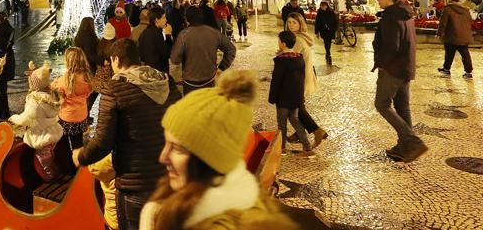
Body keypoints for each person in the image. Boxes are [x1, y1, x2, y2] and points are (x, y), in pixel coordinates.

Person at [140, 70, 298, 230]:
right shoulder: (169, 200)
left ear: (208, 161)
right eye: (166, 143)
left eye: (177, 149)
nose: (162, 157)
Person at [74, 38, 181, 230]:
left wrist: (80, 156)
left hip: (135, 185)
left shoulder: (115, 88)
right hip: (167, 179)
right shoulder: (166, 82)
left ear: (116, 60)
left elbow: (103, 142)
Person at [373, 0, 427, 163]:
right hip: (406, 66)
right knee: (402, 106)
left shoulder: (390, 17)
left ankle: (412, 141)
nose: (378, 0)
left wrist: (382, 63)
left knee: (382, 103)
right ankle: (405, 146)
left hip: (393, 69)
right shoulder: (405, 14)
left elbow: (392, 46)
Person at [9, 61, 63, 181]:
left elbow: (26, 117)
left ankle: (50, 178)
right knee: (50, 155)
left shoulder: (35, 100)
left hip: (41, 136)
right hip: (52, 133)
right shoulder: (51, 96)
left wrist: (13, 118)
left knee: (43, 161)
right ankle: (55, 172)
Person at [284, 13, 328, 148]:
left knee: (295, 107)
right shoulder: (302, 37)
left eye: (294, 23)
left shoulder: (297, 40)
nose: (291, 25)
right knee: (297, 106)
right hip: (304, 75)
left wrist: (280, 53)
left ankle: (317, 131)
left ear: (300, 24)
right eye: (289, 22)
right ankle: (300, 132)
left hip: (298, 78)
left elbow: (290, 59)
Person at [169, 8, 236, 95]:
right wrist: (222, 67)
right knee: (209, 105)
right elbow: (231, 49)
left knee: (193, 107)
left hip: (190, 81)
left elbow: (174, 59)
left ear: (187, 19)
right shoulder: (213, 32)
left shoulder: (183, 35)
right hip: (210, 79)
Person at [269, 31, 314, 157]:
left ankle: (281, 148)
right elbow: (300, 79)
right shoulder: (299, 58)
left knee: (281, 123)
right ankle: (307, 147)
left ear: (283, 44)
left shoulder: (281, 61)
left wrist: (272, 97)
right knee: (295, 119)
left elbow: (276, 81)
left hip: (283, 99)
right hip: (295, 98)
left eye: (279, 41)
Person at [52, 47, 93, 150]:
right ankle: (79, 162)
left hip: (67, 118)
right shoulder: (87, 77)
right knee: (78, 143)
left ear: (68, 62)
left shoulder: (65, 79)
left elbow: (55, 90)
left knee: (63, 144)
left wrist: (55, 82)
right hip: (82, 117)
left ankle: (66, 162)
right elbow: (88, 94)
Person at [437, 0, 474, 78]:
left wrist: (439, 33)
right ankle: (468, 72)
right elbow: (470, 21)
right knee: (465, 54)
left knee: (449, 53)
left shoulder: (448, 9)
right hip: (464, 35)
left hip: (452, 34)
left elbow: (443, 23)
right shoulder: (465, 10)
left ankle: (446, 69)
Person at [138, 9, 174, 74]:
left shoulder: (145, 32)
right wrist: (168, 35)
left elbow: (141, 55)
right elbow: (166, 53)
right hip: (158, 72)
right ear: (156, 19)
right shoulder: (156, 33)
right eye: (163, 17)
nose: (166, 20)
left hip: (149, 71)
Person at [314, 0, 339, 66]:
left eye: (324, 5)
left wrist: (335, 29)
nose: (322, 7)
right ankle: (328, 52)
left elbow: (335, 21)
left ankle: (328, 52)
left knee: (329, 41)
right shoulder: (319, 12)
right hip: (323, 30)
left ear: (327, 6)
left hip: (330, 30)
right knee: (326, 41)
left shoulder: (331, 12)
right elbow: (317, 23)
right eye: (321, 6)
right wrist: (317, 32)